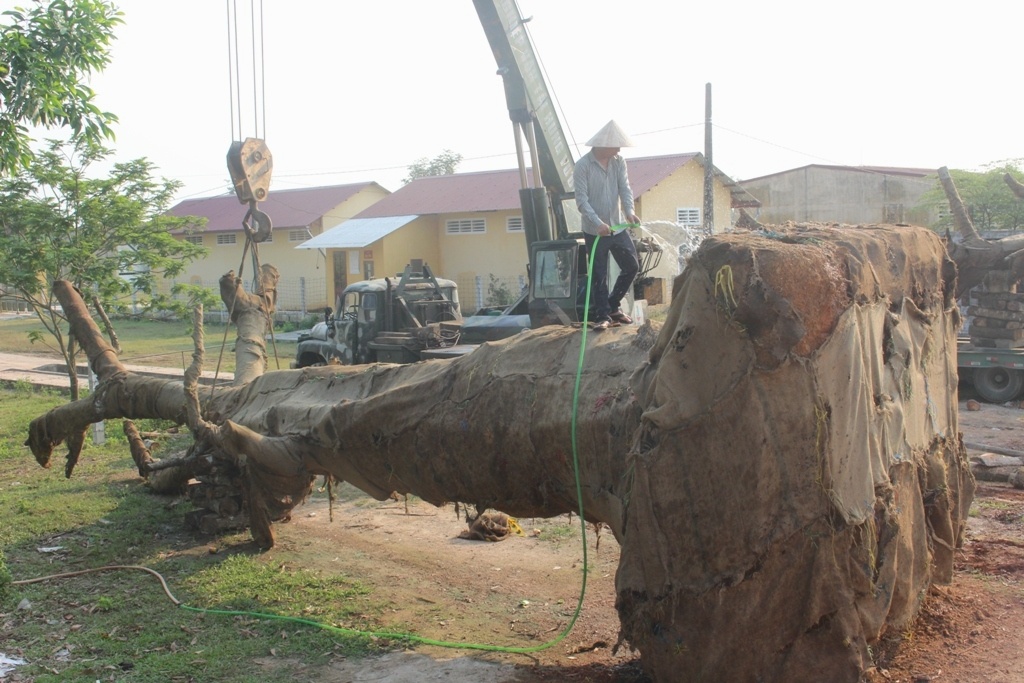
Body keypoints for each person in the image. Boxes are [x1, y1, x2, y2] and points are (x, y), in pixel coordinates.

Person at [574, 120, 641, 330]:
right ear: (603, 145)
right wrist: (598, 223)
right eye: (616, 145)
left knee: (631, 266)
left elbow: (625, 188)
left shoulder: (619, 162)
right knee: (598, 275)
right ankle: (602, 316)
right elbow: (581, 201)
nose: (619, 149)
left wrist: (629, 211)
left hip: (617, 226)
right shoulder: (583, 166)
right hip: (595, 230)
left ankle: (613, 306)